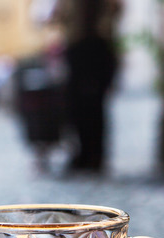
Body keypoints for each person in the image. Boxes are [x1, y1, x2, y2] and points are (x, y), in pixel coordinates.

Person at [54, 0, 122, 173]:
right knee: (77, 106)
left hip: (97, 47)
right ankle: (85, 154)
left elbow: (116, 11)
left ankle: (94, 156)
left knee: (94, 106)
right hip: (79, 47)